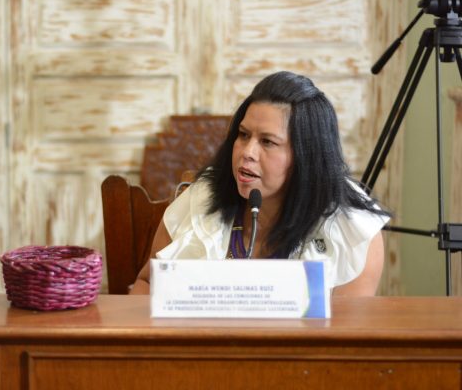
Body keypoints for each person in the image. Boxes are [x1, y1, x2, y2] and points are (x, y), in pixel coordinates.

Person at [130, 71, 390, 296]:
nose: (247, 152)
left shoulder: (352, 232)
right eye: (243, 135)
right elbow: (147, 284)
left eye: (267, 142)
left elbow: (345, 333)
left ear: (306, 155)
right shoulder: (201, 198)